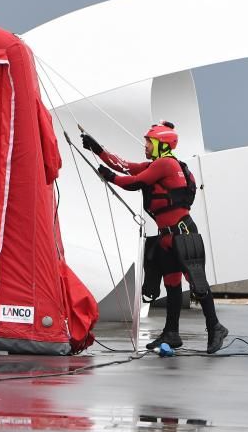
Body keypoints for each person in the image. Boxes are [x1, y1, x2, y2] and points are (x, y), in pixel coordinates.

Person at [81, 121, 229, 354]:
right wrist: (96, 149)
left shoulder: (166, 165)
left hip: (182, 233)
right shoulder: (158, 164)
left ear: (162, 144)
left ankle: (215, 327)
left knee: (197, 283)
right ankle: (171, 333)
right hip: (167, 237)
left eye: (149, 142)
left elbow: (134, 182)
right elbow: (126, 166)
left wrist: (110, 177)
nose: (146, 146)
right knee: (171, 285)